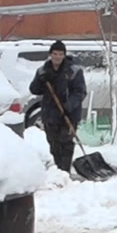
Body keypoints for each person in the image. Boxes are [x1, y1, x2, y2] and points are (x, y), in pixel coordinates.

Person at [29, 41, 88, 173]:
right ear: (50, 54)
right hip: (50, 114)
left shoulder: (73, 71)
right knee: (53, 143)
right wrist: (41, 80)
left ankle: (64, 171)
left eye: (60, 54)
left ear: (64, 55)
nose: (57, 57)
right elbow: (34, 89)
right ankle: (58, 170)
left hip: (68, 114)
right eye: (55, 54)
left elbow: (80, 92)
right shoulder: (43, 71)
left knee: (66, 143)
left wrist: (69, 106)